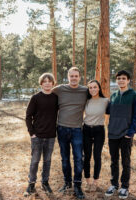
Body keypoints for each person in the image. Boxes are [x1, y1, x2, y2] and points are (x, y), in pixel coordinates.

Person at [105, 70, 136, 199]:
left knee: (125, 161)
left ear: (128, 80)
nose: (121, 80)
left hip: (125, 134)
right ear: (116, 80)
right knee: (113, 161)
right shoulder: (113, 96)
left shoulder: (134, 95)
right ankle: (114, 184)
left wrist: (130, 132)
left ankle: (124, 186)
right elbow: (107, 110)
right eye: (119, 78)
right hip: (112, 134)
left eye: (123, 78)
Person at [52, 66, 87, 199]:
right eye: (71, 76)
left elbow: (97, 95)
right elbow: (46, 93)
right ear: (68, 77)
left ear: (79, 77)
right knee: (65, 158)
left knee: (78, 158)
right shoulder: (60, 89)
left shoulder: (85, 90)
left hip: (77, 130)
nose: (73, 78)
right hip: (61, 129)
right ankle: (67, 183)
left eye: (76, 76)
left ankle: (77, 185)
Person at [24, 73, 58, 196]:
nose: (47, 83)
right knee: (35, 161)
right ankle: (31, 184)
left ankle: (45, 182)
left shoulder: (55, 98)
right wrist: (32, 133)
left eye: (49, 81)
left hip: (50, 136)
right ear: (41, 83)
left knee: (47, 161)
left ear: (53, 83)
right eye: (45, 81)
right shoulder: (35, 98)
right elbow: (28, 116)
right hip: (37, 136)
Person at [83, 80, 109, 189]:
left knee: (97, 156)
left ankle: (95, 181)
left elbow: (112, 114)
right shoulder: (86, 101)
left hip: (99, 130)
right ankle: (88, 180)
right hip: (86, 130)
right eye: (90, 88)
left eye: (95, 87)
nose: (93, 89)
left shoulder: (106, 101)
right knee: (87, 156)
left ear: (99, 88)